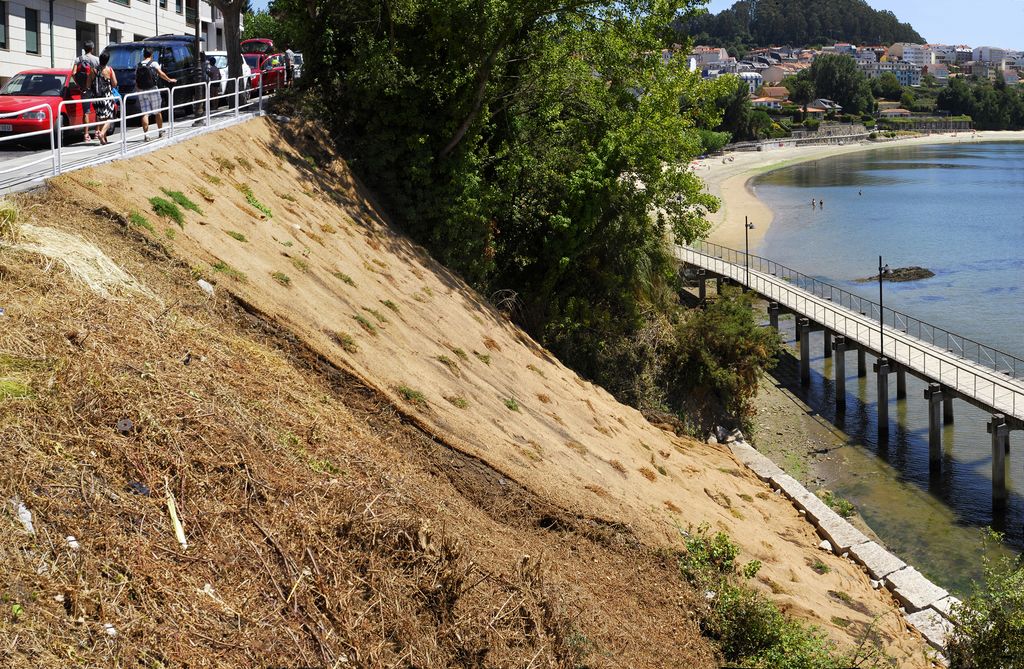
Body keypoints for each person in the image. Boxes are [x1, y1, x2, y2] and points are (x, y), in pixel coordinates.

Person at [135, 48, 176, 141]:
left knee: (145, 113)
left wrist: (138, 90)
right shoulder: (153, 63)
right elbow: (161, 74)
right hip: (152, 89)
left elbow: (136, 80)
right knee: (157, 111)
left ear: (144, 55)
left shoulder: (138, 65)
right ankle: (161, 132)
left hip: (142, 91)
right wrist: (169, 80)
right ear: (151, 55)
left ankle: (146, 135)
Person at [71, 41, 100, 142]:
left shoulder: (78, 59)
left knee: (86, 112)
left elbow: (73, 73)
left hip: (84, 89)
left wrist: (79, 84)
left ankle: (86, 134)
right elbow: (99, 73)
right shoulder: (96, 60)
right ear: (92, 48)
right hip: (95, 89)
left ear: (84, 48)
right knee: (97, 111)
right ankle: (97, 132)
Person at [89, 52, 118, 145]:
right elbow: (114, 83)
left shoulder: (93, 70)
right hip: (107, 96)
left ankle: (104, 140)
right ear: (107, 60)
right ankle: (101, 134)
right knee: (110, 118)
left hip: (96, 97)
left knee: (101, 118)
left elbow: (88, 83)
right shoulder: (109, 70)